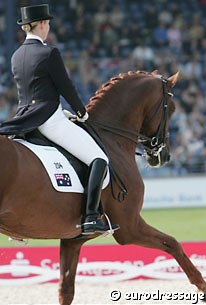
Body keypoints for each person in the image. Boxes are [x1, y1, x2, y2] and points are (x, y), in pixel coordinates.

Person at [0, 4, 119, 235]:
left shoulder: (16, 56)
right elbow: (66, 87)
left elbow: (29, 93)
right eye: (48, 23)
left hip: (25, 120)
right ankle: (91, 217)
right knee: (99, 158)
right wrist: (81, 112)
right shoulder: (49, 53)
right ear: (43, 24)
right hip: (49, 120)